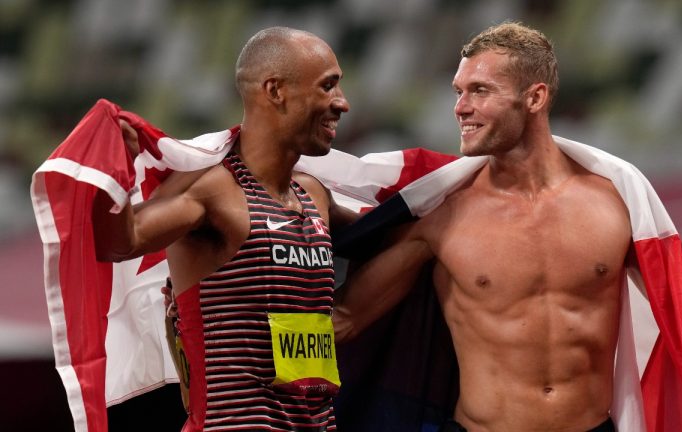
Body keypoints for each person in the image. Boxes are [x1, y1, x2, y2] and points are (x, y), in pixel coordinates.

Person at [332, 21, 628, 432]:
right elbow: (344, 320)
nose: (460, 107)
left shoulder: (616, 205)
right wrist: (247, 356)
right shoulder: (442, 216)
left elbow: (668, 321)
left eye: (480, 91)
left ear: (535, 97)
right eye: (459, 91)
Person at [92, 26, 356, 431]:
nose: (343, 103)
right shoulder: (215, 190)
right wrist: (112, 173)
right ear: (275, 90)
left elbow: (395, 232)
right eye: (328, 86)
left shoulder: (313, 196)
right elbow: (119, 242)